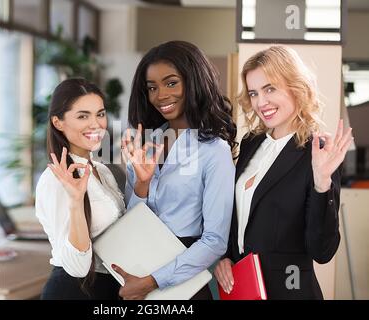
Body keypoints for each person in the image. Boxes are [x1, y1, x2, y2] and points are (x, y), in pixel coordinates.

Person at [214, 45, 353, 300]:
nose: (260, 102)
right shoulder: (251, 142)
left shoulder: (318, 151)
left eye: (270, 89)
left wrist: (322, 184)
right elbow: (242, 216)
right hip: (245, 287)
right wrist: (226, 257)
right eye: (254, 93)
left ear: (295, 87)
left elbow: (322, 251)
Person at [113, 40, 237, 300]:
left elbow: (214, 241)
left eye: (171, 83)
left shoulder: (214, 150)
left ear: (193, 82)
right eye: (152, 87)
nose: (160, 96)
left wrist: (151, 282)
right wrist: (141, 186)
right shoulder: (145, 144)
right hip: (138, 270)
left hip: (183, 282)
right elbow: (131, 221)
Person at [35, 78, 126, 300]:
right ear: (58, 122)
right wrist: (76, 201)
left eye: (100, 114)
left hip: (106, 288)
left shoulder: (102, 171)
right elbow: (77, 267)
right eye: (83, 116)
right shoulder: (55, 180)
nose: (96, 124)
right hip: (73, 291)